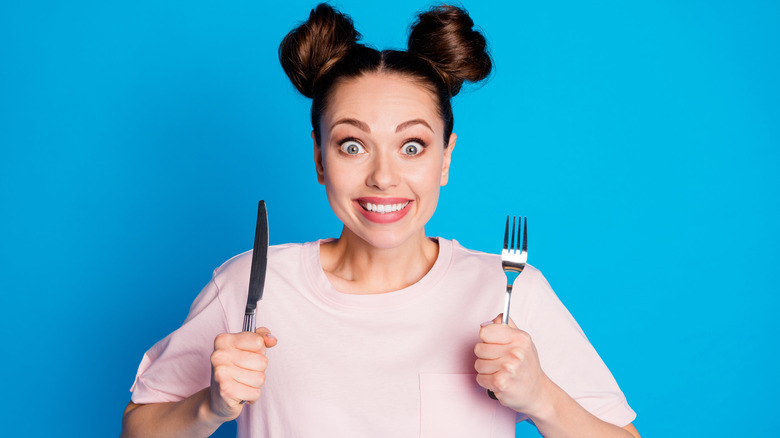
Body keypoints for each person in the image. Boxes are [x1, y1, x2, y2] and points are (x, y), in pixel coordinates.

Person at [121, 4, 640, 437]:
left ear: (445, 159)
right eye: (352, 145)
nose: (384, 177)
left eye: (412, 146)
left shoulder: (509, 291)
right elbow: (136, 428)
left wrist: (541, 398)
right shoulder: (249, 286)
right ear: (320, 159)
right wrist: (209, 407)